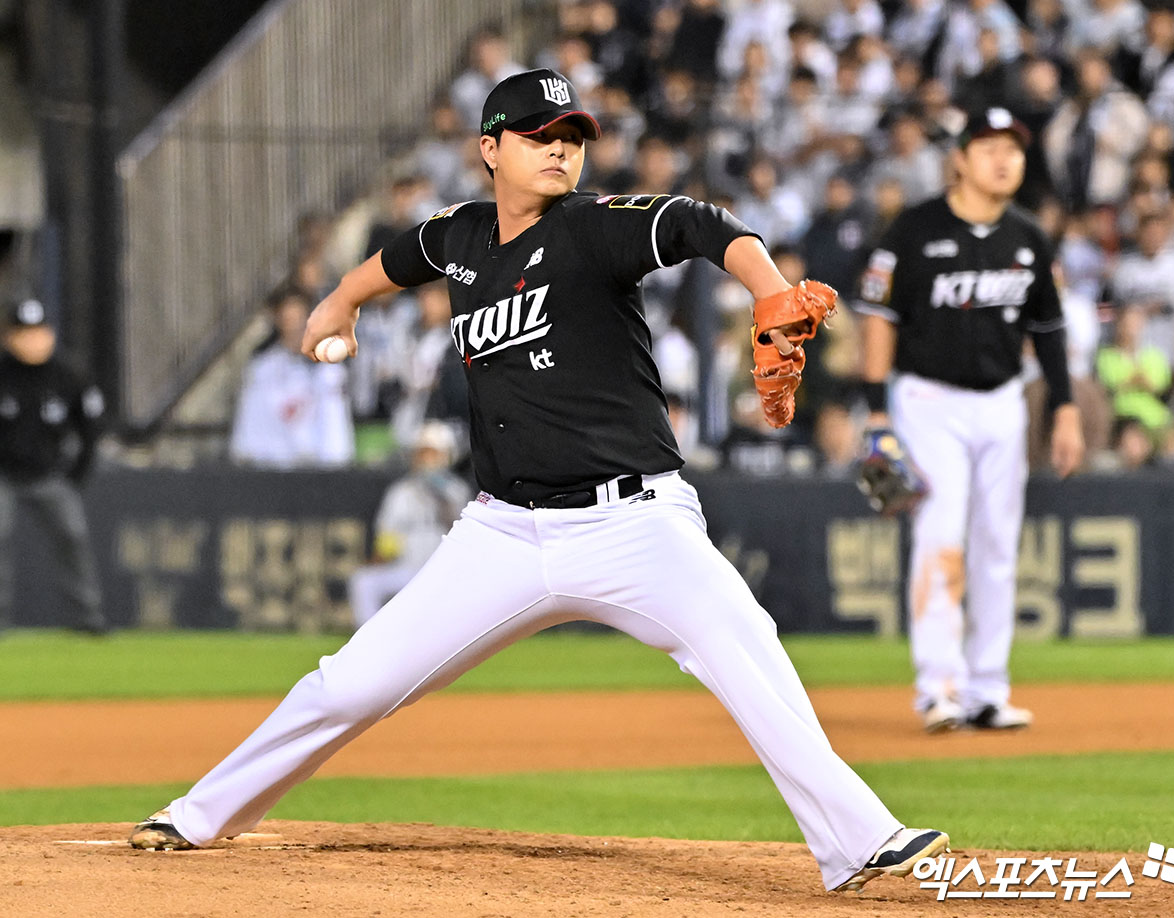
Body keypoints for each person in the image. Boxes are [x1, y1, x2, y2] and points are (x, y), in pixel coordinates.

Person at [130, 68, 948, 894]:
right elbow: (395, 260)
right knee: (351, 682)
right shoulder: (460, 236)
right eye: (538, 135)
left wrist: (769, 288)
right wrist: (337, 303)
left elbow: (702, 224)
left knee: (746, 649)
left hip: (634, 523)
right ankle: (200, 813)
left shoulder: (593, 228)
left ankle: (860, 840)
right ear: (489, 149)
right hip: (502, 534)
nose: (560, 149)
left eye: (572, 138)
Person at [855, 107, 1085, 734]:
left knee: (997, 548)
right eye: (988, 147)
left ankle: (988, 688)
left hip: (1004, 403)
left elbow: (1049, 329)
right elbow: (877, 320)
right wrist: (877, 411)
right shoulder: (914, 229)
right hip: (929, 402)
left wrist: (1063, 407)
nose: (1004, 158)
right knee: (941, 539)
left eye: (1012, 147)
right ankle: (939, 687)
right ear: (959, 158)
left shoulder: (1028, 236)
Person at [0, 298, 108, 635]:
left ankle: (89, 619)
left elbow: (91, 430)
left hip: (50, 475)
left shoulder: (69, 374)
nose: (33, 340)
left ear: (50, 335)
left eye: (39, 332)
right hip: (3, 475)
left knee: (73, 536)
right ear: (9, 338)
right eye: (24, 334)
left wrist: (75, 475)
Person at [347, 421, 472, 628]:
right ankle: (371, 639)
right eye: (422, 453)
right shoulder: (400, 492)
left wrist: (441, 495)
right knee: (364, 581)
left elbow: (463, 534)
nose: (426, 459)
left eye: (432, 453)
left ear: (446, 456)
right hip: (408, 569)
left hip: (442, 571)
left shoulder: (455, 491)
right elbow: (388, 539)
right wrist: (379, 560)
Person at [229, 284, 355, 469]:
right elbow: (250, 429)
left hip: (317, 472)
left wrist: (333, 466)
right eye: (288, 321)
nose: (295, 328)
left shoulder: (328, 369)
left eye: (299, 320)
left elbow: (335, 430)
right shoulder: (262, 367)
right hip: (273, 470)